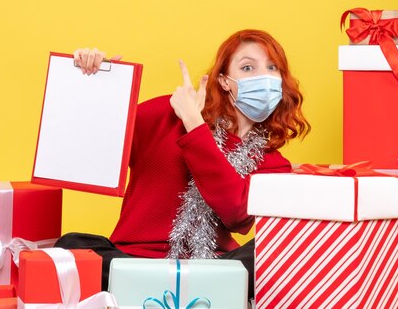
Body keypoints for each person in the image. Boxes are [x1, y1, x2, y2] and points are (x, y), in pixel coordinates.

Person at [55, 29, 310, 295]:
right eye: (248, 67)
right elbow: (94, 147)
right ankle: (182, 290)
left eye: (272, 69)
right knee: (69, 247)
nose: (263, 77)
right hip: (135, 260)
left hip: (214, 266)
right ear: (224, 81)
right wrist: (98, 85)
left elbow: (237, 217)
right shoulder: (168, 113)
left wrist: (195, 125)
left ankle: (166, 289)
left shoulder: (273, 163)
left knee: (276, 251)